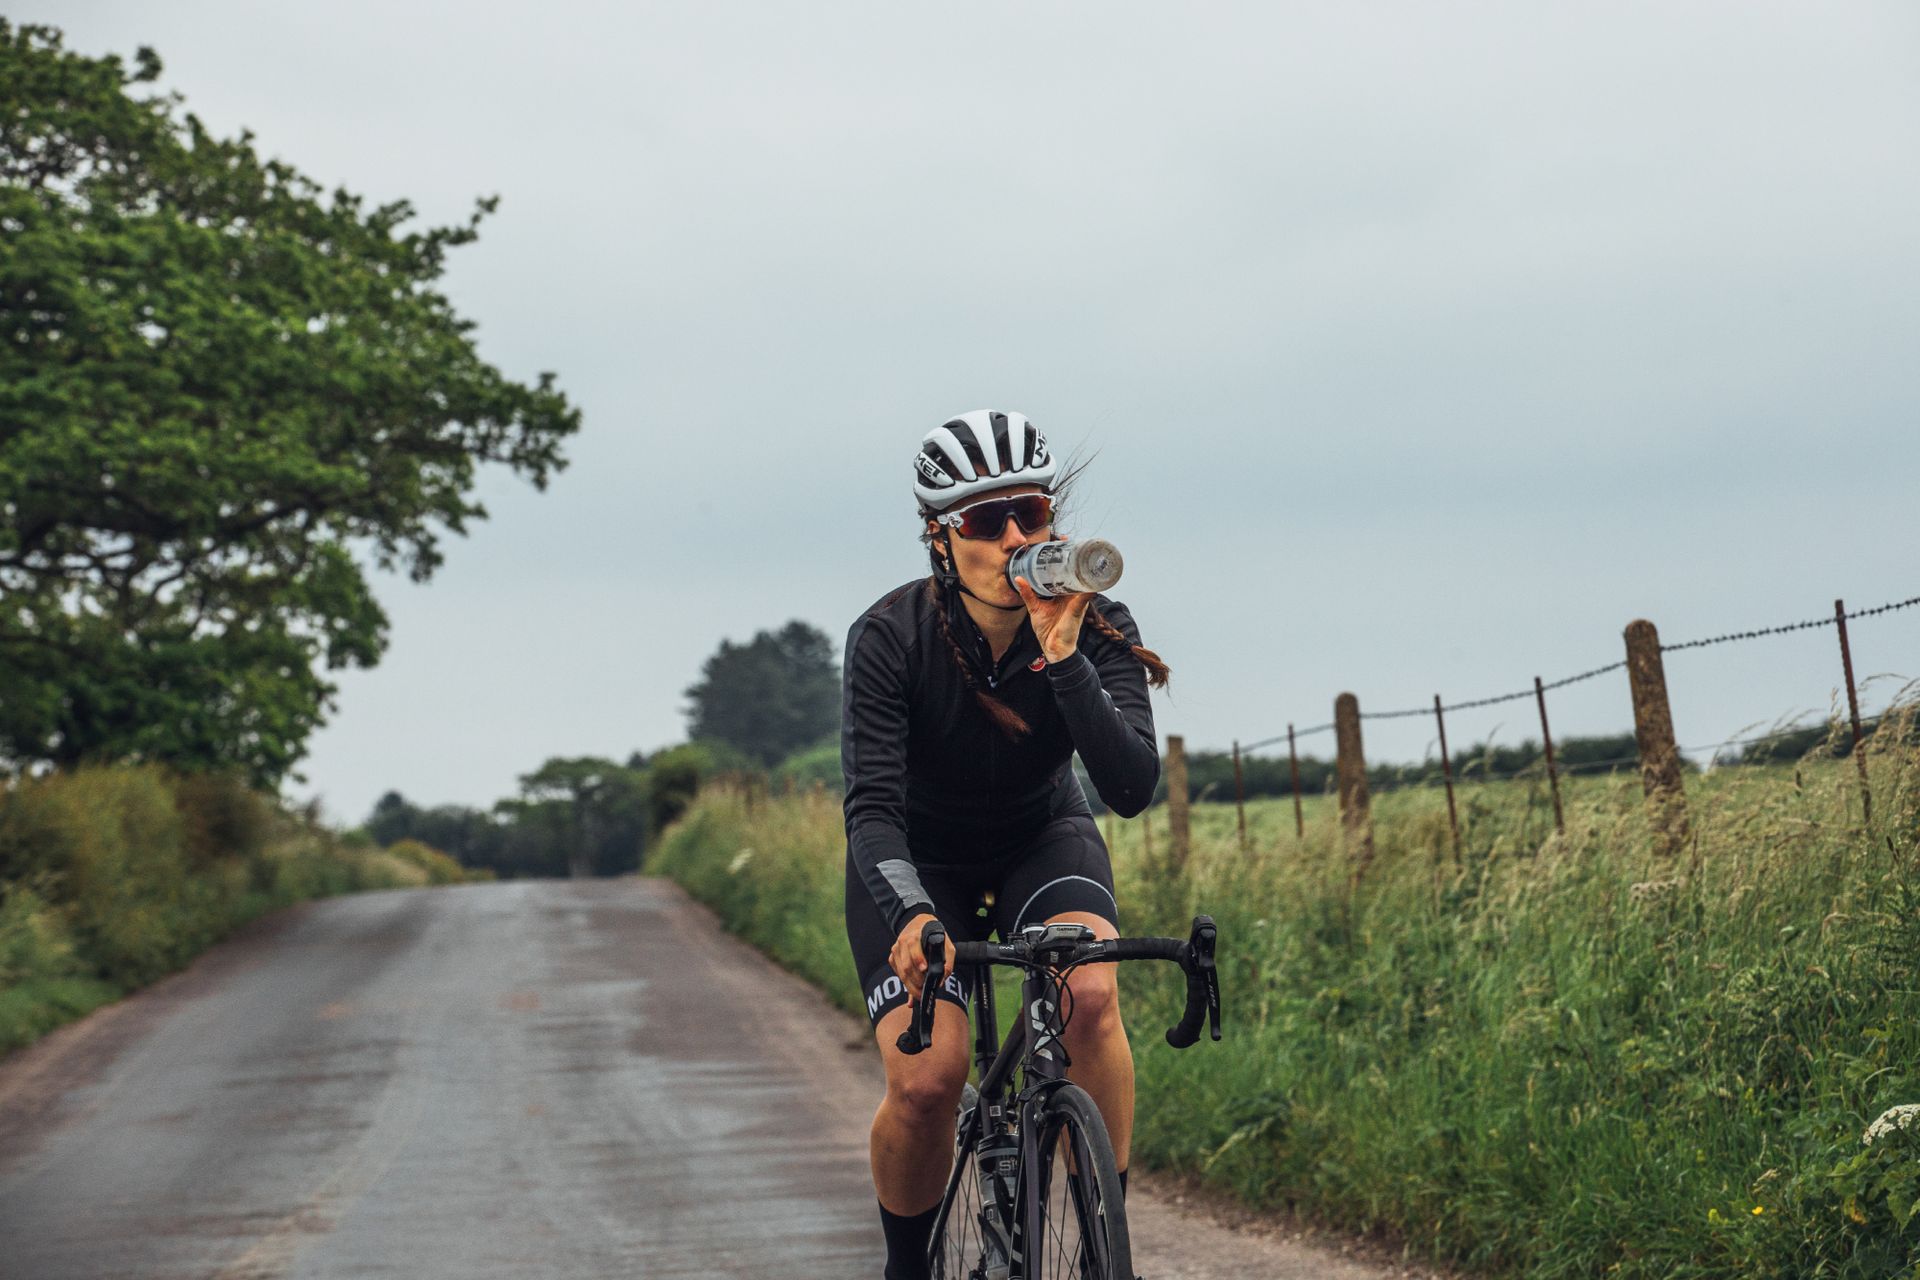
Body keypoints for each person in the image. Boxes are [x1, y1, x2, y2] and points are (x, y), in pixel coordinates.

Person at [842, 409, 1170, 1280]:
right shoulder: (889, 637)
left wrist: (1063, 653)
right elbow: (871, 809)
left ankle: (1103, 1241)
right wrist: (911, 916)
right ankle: (908, 1267)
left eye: (1032, 512)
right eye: (989, 522)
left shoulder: (1096, 621)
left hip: (1039, 834)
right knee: (927, 1081)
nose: (1018, 537)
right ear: (942, 539)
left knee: (1091, 999)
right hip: (922, 858)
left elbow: (1133, 790)